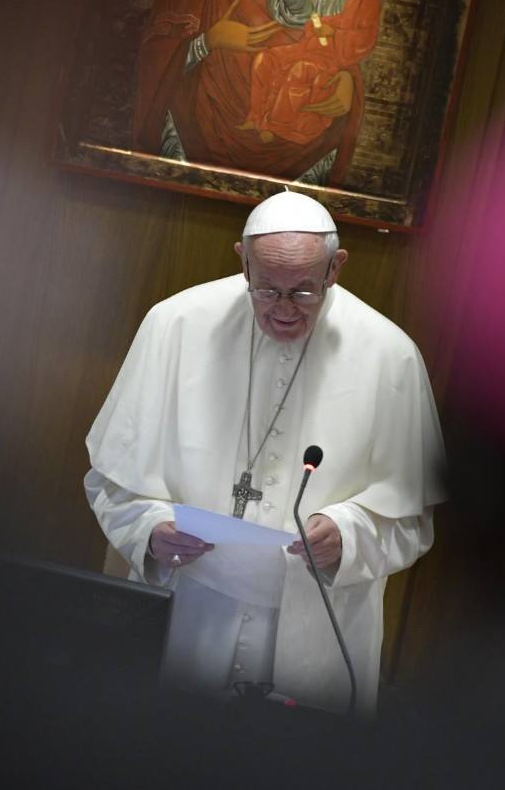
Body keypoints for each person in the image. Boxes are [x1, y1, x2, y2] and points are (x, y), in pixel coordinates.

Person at [85, 190, 446, 714]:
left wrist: (348, 535)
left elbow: (413, 518)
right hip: (188, 610)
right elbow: (112, 480)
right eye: (265, 289)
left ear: (335, 268)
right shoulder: (174, 325)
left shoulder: (390, 356)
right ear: (242, 260)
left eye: (303, 292)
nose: (281, 309)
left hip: (317, 626)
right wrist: (148, 530)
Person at [134, 0, 367, 185]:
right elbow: (157, 57)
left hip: (292, 143)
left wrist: (346, 81)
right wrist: (210, 40)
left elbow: (332, 42)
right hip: (196, 126)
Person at [239, 0, 382, 145]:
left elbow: (366, 37)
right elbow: (301, 3)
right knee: (265, 59)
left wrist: (334, 31)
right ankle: (256, 118)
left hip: (336, 56)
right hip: (309, 46)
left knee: (300, 69)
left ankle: (276, 127)